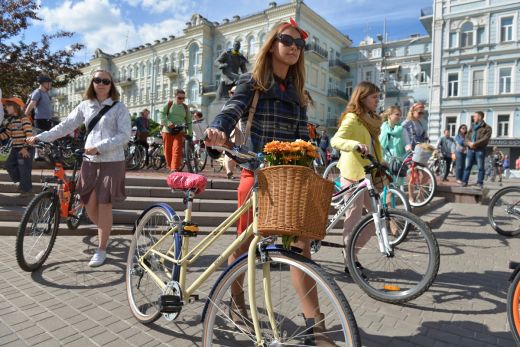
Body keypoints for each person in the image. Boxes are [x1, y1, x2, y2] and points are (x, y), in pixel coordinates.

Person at [205, 20, 336, 345]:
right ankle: (236, 302)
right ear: (272, 44)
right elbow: (231, 109)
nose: (293, 47)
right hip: (254, 171)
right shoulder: (253, 81)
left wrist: (313, 153)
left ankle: (314, 328)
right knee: (243, 246)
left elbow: (300, 135)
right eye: (287, 40)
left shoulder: (297, 92)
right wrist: (218, 129)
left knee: (301, 247)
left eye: (299, 44)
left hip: (288, 178)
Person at [27, 69, 131, 267]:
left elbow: (124, 135)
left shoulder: (119, 107)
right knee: (87, 201)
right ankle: (104, 228)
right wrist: (40, 137)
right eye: (97, 80)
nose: (101, 83)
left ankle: (101, 248)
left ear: (111, 85)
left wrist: (99, 148)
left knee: (104, 202)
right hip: (89, 160)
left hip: (112, 160)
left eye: (105, 81)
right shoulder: (85, 105)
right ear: (92, 83)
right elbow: (66, 126)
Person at [331, 81, 383, 276]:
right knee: (353, 218)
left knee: (375, 217)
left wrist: (383, 162)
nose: (377, 101)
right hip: (352, 173)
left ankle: (350, 252)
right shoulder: (352, 118)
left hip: (367, 174)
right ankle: (349, 261)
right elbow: (335, 140)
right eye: (374, 97)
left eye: (378, 97)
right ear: (362, 98)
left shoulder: (370, 120)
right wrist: (354, 144)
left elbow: (374, 145)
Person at [0, 97, 34, 196]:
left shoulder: (24, 119)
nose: (5, 108)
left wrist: (25, 148)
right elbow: (7, 134)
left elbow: (29, 136)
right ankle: (24, 184)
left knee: (24, 170)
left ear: (15, 107)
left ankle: (27, 191)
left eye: (8, 106)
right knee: (8, 165)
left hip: (25, 149)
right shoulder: (12, 121)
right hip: (15, 149)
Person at [159, 89, 192, 172]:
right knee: (167, 150)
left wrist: (190, 133)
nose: (181, 100)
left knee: (177, 149)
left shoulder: (185, 107)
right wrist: (168, 123)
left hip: (180, 131)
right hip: (167, 130)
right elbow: (161, 114)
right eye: (179, 98)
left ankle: (174, 169)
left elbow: (189, 121)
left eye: (183, 98)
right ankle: (170, 167)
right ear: (175, 97)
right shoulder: (169, 104)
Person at [461, 111, 492, 188]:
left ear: (480, 117)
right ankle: (464, 181)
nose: (473, 118)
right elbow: (466, 137)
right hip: (470, 149)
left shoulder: (487, 127)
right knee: (467, 166)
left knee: (480, 167)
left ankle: (480, 183)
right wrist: (469, 143)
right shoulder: (472, 127)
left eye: (475, 116)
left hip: (480, 149)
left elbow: (485, 139)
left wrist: (475, 144)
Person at [380, 105, 406, 177]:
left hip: (397, 160)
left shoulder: (401, 129)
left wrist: (408, 147)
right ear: (389, 115)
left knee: (395, 185)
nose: (399, 117)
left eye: (400, 115)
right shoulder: (381, 128)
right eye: (397, 114)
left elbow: (407, 142)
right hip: (384, 159)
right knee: (383, 183)